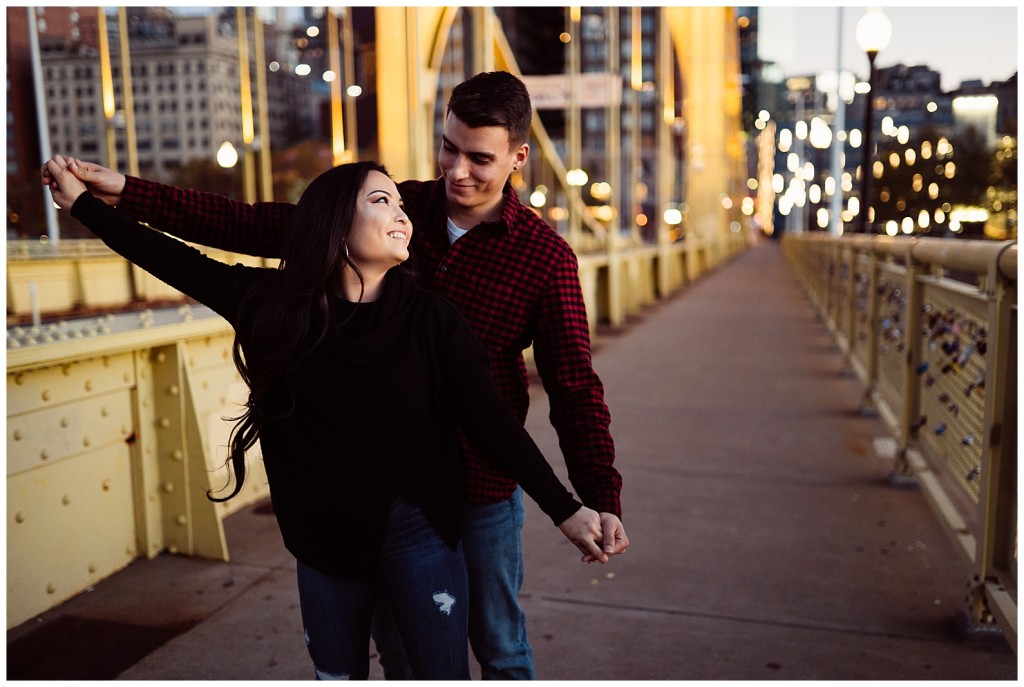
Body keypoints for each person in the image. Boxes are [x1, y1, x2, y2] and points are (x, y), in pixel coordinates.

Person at [45, 70, 629, 680]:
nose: (457, 170)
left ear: (519, 156)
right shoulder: (389, 205)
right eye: (448, 148)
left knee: (498, 644)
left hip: (478, 482)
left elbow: (572, 386)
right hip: (367, 492)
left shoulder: (541, 258)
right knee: (402, 654)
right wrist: (125, 195)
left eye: (480, 159)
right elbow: (245, 225)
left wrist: (594, 497)